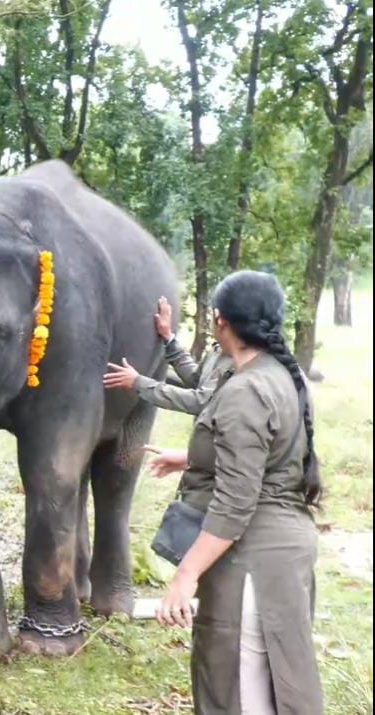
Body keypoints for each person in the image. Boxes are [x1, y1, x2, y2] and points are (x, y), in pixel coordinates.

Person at [144, 272, 324, 713]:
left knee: (242, 692)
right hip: (281, 551)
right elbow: (270, 456)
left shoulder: (246, 390)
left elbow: (236, 502)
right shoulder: (283, 373)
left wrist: (185, 575)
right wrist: (190, 457)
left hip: (253, 563)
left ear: (220, 322)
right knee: (276, 679)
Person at [103, 297, 234, 416]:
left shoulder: (238, 362)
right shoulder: (220, 350)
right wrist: (168, 338)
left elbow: (200, 402)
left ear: (219, 319)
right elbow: (195, 379)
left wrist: (138, 382)